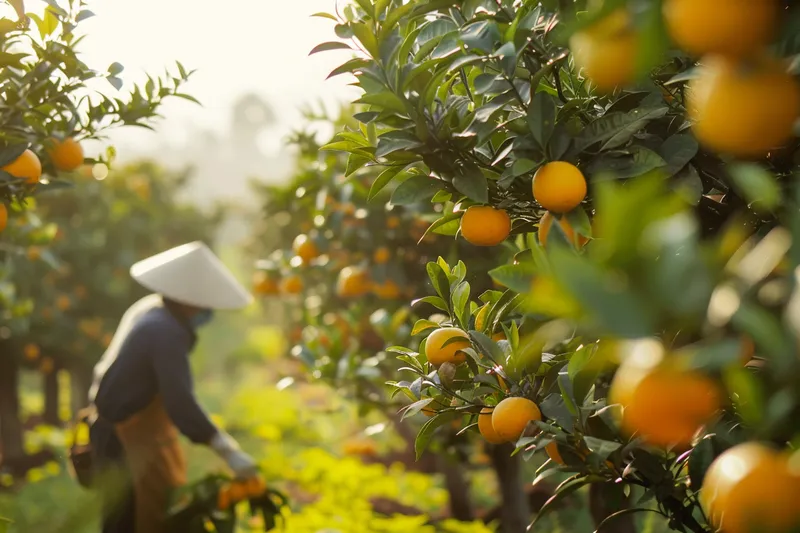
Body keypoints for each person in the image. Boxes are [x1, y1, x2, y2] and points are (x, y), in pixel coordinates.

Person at [87, 241, 257, 533]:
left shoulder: (154, 312)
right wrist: (226, 449)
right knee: (129, 521)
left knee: (130, 518)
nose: (207, 309)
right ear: (188, 298)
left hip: (121, 432)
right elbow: (179, 400)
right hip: (123, 440)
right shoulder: (164, 330)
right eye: (205, 301)